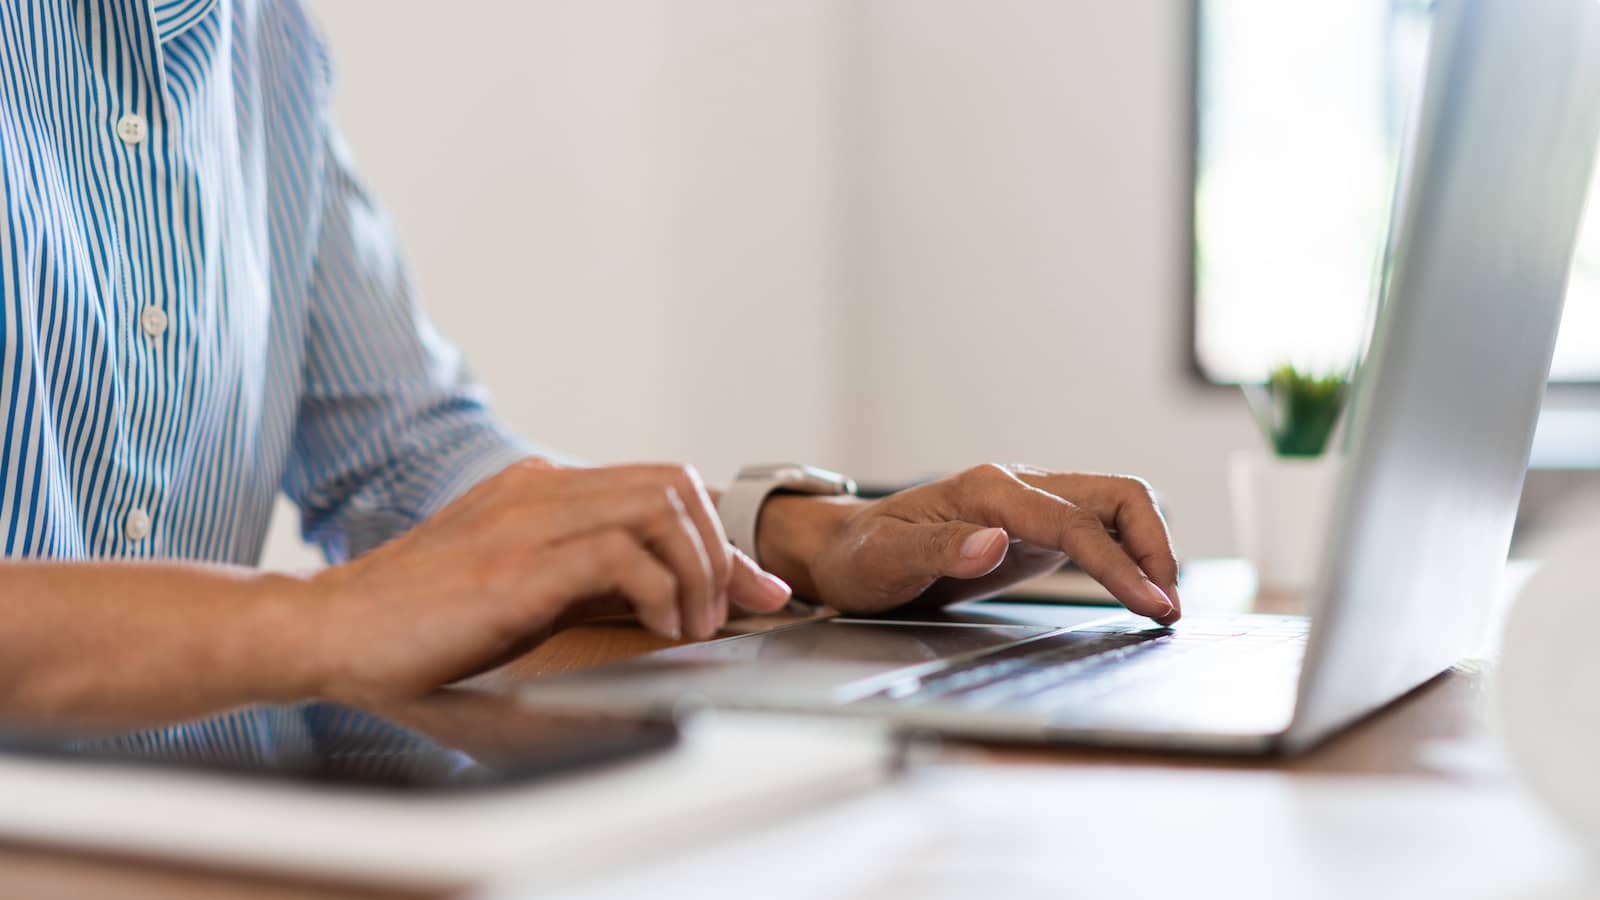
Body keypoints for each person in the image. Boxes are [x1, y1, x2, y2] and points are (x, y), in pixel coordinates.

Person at [0, 0, 1179, 730]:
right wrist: (315, 624)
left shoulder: (269, 44)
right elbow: (369, 593)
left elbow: (405, 453)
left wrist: (802, 539)